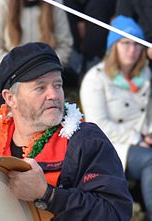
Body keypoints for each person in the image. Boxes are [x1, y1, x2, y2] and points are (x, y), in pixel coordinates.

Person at [0, 42, 132, 220]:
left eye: (57, 85)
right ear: (10, 98)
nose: (54, 95)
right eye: (40, 87)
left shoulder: (86, 141)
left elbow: (115, 213)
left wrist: (48, 195)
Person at [80, 15, 152, 220]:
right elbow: (98, 125)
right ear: (114, 46)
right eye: (125, 43)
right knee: (150, 162)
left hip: (143, 138)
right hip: (113, 146)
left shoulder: (145, 74)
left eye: (137, 44)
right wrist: (137, 138)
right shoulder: (96, 78)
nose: (132, 49)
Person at [0, 0, 73, 108]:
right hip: (7, 76)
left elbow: (65, 45)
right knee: (13, 104)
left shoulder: (55, 4)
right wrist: (24, 71)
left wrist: (44, 68)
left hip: (49, 73)